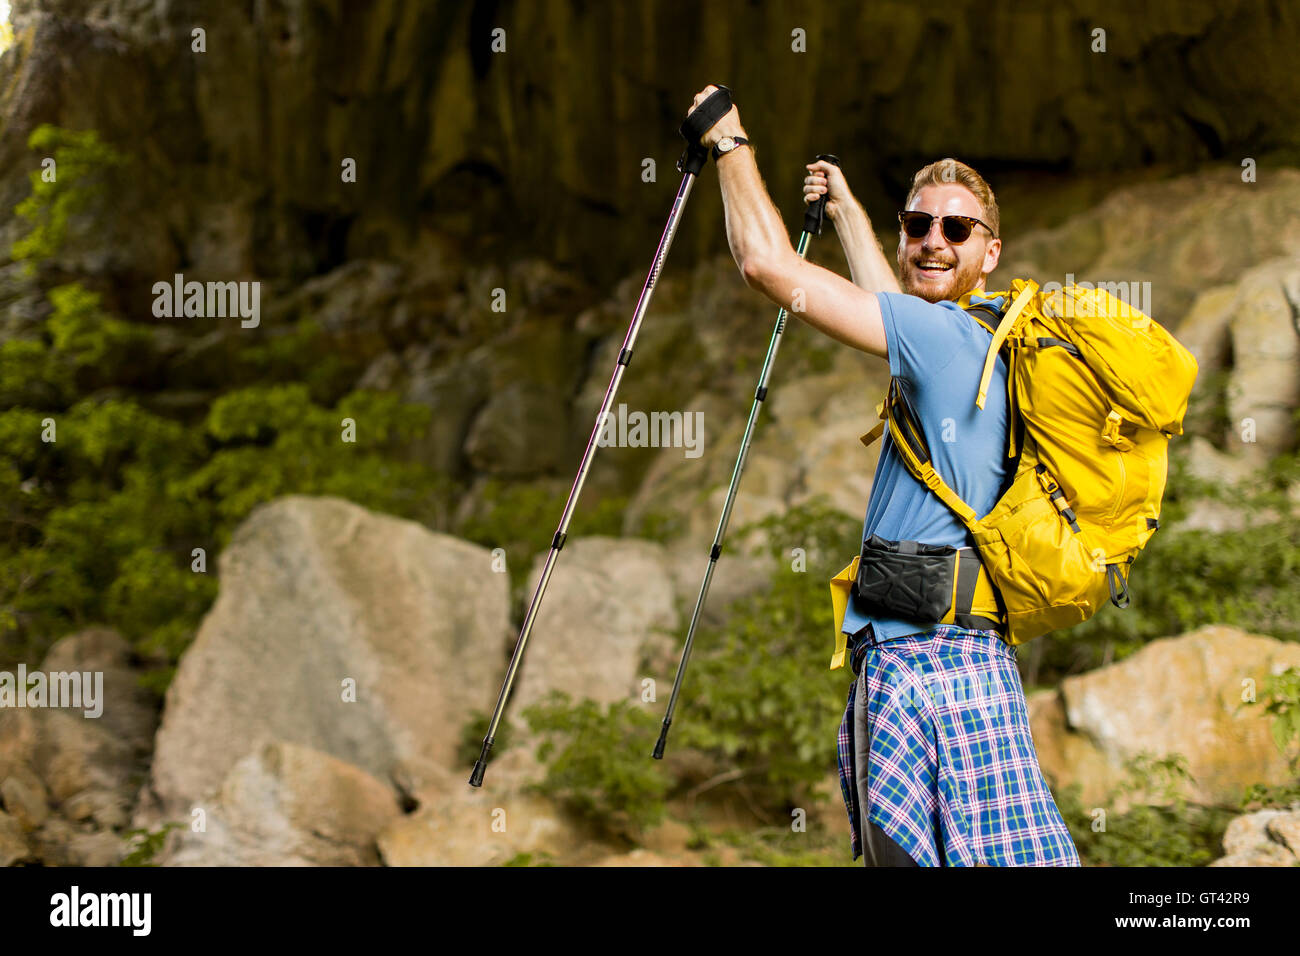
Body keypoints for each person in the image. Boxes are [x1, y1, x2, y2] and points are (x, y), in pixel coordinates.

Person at [685, 84, 1080, 867]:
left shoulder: (944, 340)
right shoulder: (978, 343)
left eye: (956, 229)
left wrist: (728, 145)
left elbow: (766, 264)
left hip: (917, 667)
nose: (933, 240)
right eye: (918, 225)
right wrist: (847, 213)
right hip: (973, 661)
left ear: (990, 251)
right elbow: (890, 304)